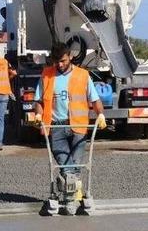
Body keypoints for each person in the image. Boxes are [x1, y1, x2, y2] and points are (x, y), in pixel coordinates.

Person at [35, 43, 107, 213]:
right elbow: (38, 101)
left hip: (78, 125)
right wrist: (38, 114)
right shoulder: (47, 75)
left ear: (70, 57)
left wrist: (100, 114)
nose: (59, 64)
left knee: (75, 164)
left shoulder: (83, 75)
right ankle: (74, 195)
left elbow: (94, 99)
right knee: (65, 163)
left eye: (63, 61)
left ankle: (71, 197)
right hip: (56, 126)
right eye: (56, 61)